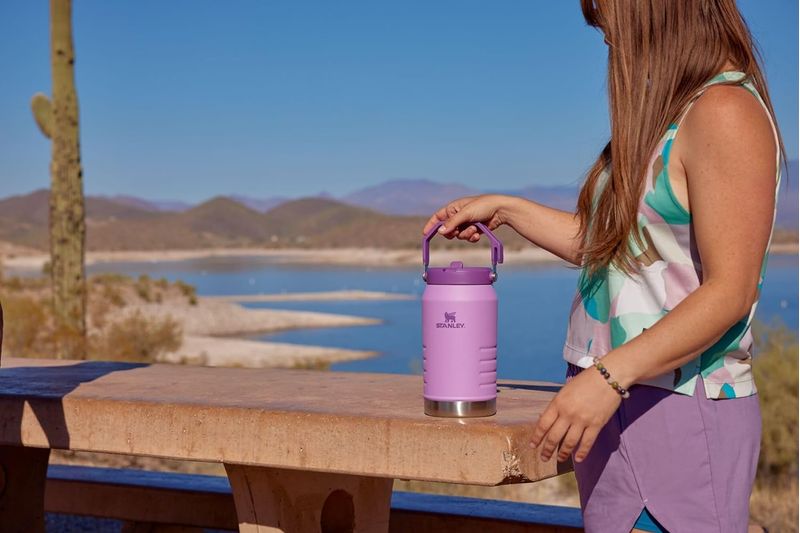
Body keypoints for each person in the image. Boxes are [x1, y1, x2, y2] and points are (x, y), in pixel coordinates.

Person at [422, 1, 784, 532]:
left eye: (610, 25)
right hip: (616, 398)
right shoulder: (669, 115)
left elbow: (732, 291)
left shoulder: (725, 110)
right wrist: (507, 209)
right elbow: (615, 249)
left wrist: (607, 378)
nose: (611, 44)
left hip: (677, 405)